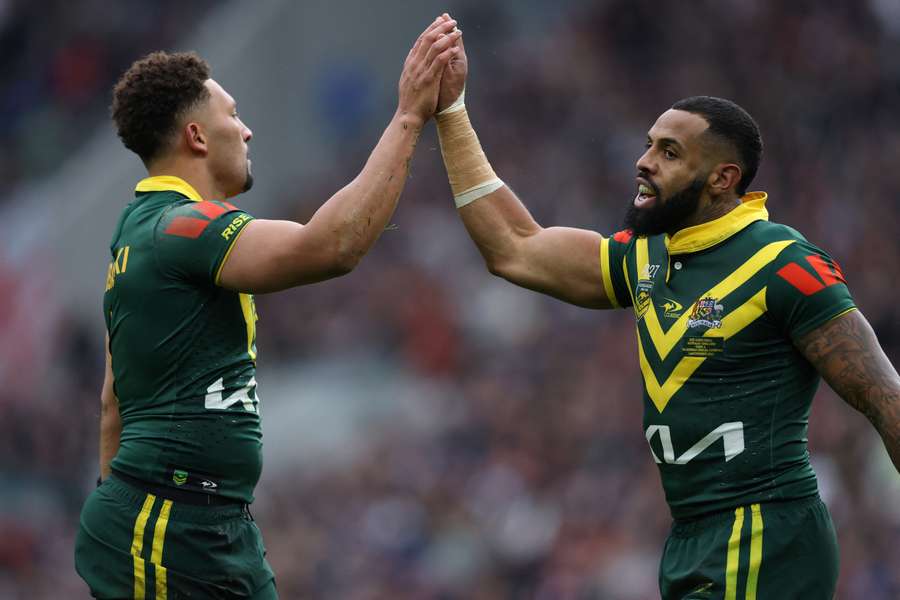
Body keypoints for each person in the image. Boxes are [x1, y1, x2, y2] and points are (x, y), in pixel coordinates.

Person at [433, 25, 900, 600]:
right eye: (650, 144)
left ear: (722, 179)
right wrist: (451, 112)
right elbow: (515, 248)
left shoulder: (784, 264)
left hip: (764, 534)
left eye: (669, 153)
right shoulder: (646, 255)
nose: (644, 161)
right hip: (691, 538)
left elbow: (885, 397)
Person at [74, 16, 462, 599]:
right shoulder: (180, 228)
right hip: (168, 521)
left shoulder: (139, 234)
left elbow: (114, 405)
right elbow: (332, 246)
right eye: (234, 115)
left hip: (207, 521)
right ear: (197, 137)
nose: (247, 131)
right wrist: (408, 116)